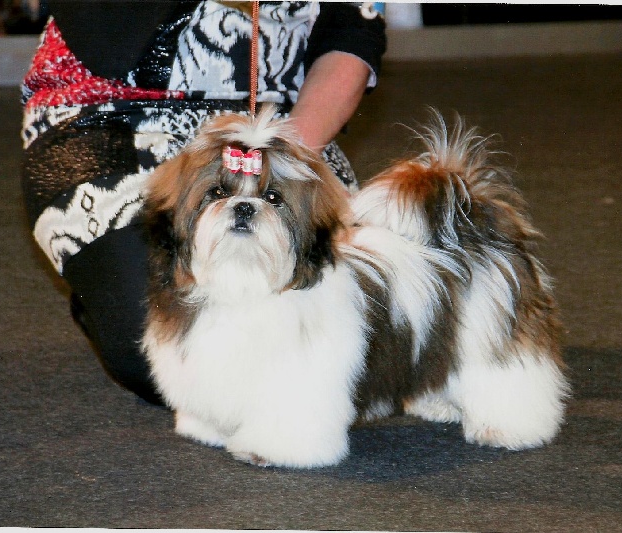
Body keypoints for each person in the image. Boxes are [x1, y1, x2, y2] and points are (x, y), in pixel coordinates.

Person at [20, 1, 387, 405]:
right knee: (162, 352)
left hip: (279, 129)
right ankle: (105, 286)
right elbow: (107, 42)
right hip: (115, 119)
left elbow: (351, 37)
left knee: (365, 343)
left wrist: (283, 160)